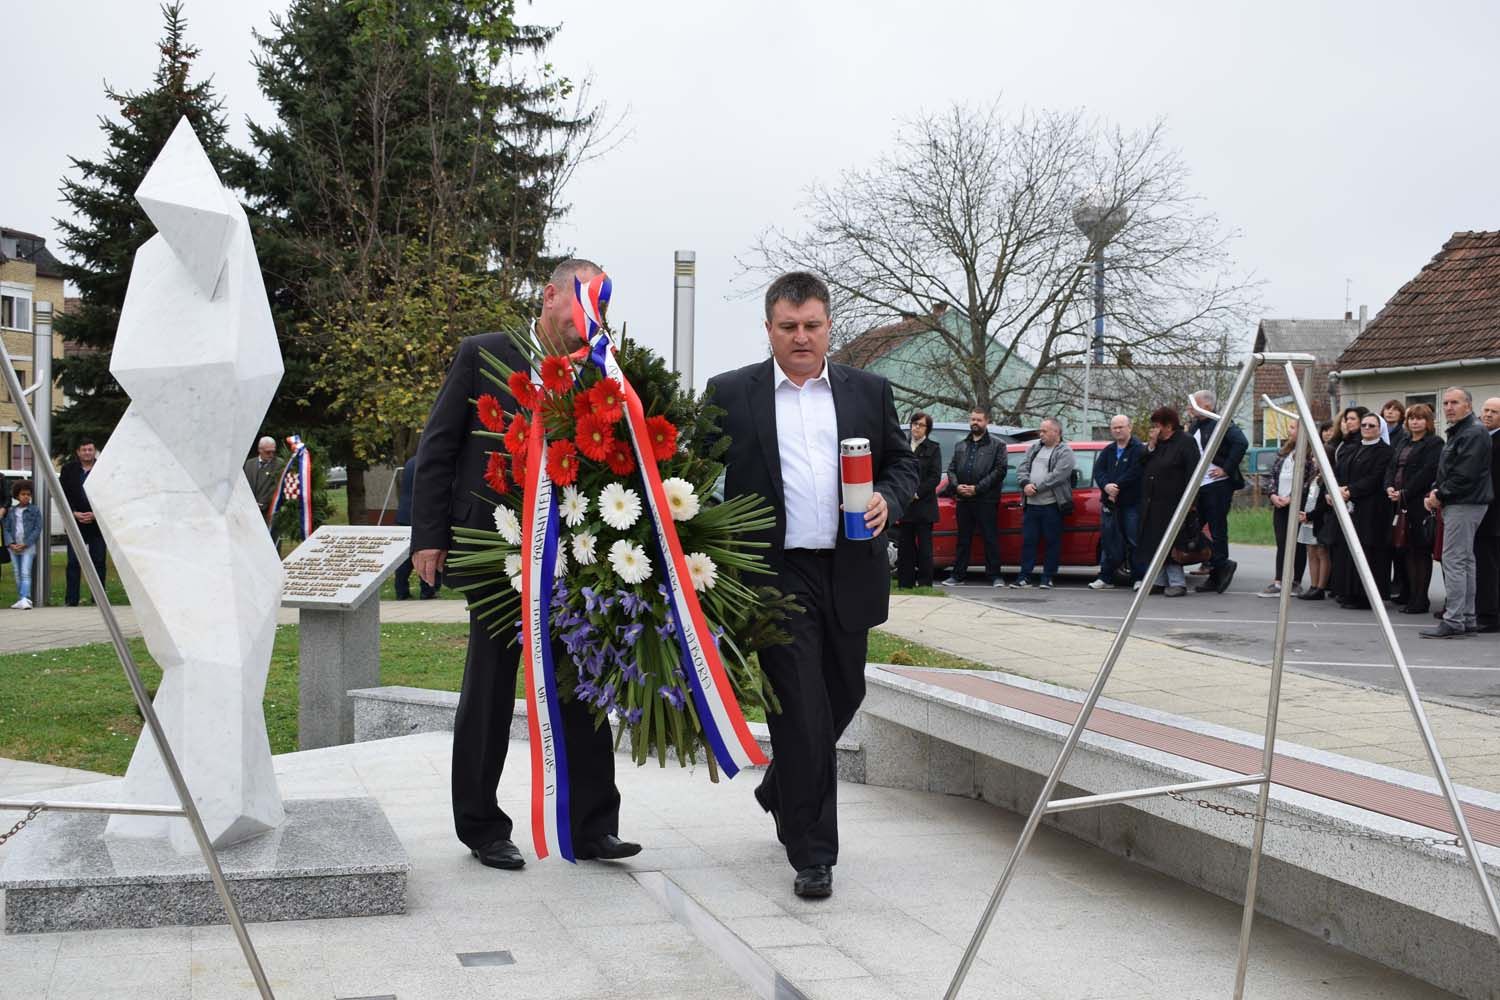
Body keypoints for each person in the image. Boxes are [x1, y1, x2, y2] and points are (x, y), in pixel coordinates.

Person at [412, 257, 638, 869]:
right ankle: (482, 826)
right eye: (583, 303)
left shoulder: (600, 366)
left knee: (579, 682)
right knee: (489, 687)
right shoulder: (482, 354)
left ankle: (594, 826)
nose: (591, 319)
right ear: (550, 297)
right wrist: (428, 535)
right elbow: (439, 444)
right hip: (495, 551)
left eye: (602, 308)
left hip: (573, 559)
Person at [707, 271, 916, 900]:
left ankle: (781, 787)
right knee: (801, 707)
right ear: (769, 329)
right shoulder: (731, 393)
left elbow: (903, 464)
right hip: (775, 573)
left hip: (849, 567)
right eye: (788, 326)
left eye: (812, 326)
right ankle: (813, 853)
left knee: (844, 693)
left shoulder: (868, 391)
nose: (801, 337)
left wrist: (888, 498)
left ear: (829, 327)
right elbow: (692, 473)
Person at [1421, 387, 1494, 639]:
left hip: (1464, 502)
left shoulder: (1472, 432)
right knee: (1464, 561)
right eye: (1446, 403)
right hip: (1463, 501)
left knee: (1454, 560)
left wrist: (1439, 495)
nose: (1449, 407)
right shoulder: (1463, 431)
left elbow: (1465, 474)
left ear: (1468, 405)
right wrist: (1436, 490)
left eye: (1455, 402)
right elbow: (1450, 469)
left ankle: (1454, 620)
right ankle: (1466, 617)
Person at [1188, 389, 1247, 594]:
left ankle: (1217, 571)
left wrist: (1226, 469)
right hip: (1198, 486)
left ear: (1207, 406)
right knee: (1191, 528)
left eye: (1194, 404)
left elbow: (1241, 443)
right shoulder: (1195, 426)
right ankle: (1220, 563)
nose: (1189, 408)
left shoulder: (1221, 423)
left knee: (1217, 528)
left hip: (1217, 485)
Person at [939, 408, 1006, 587]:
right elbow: (951, 469)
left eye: (979, 420)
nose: (975, 423)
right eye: (973, 419)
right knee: (963, 539)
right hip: (963, 500)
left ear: (987, 421)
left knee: (990, 538)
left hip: (986, 499)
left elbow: (1000, 471)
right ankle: (958, 575)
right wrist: (956, 486)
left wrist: (977, 488)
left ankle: (995, 576)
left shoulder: (997, 445)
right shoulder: (961, 445)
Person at [1385, 404, 1442, 615]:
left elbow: (1428, 472)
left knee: (1420, 550)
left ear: (1428, 422)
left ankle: (1421, 598)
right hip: (1400, 502)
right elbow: (1392, 467)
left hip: (1420, 503)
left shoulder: (1434, 443)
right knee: (1407, 549)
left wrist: (1405, 492)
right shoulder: (1403, 441)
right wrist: (1389, 486)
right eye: (1411, 418)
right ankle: (1410, 595)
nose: (1415, 422)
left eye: (1420, 418)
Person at [1333, 412, 1393, 610]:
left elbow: (1375, 478)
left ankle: (1366, 596)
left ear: (1380, 429)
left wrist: (1350, 491)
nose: (1367, 428)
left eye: (1371, 426)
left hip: (1372, 509)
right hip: (1352, 505)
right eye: (1364, 425)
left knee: (1368, 550)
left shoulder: (1385, 452)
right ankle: (1348, 591)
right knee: (1349, 548)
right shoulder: (1355, 448)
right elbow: (1340, 471)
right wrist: (1337, 490)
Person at [1138, 406, 1199, 596]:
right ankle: (1159, 580)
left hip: (1174, 502)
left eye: (1157, 426)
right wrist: (1151, 445)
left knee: (1172, 542)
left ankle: (1177, 582)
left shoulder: (1185, 442)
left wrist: (1191, 501)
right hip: (1153, 502)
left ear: (1169, 425)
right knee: (1154, 542)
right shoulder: (1158, 443)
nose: (1154, 430)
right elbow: (1142, 462)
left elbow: (1193, 472)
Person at [1012, 418, 1076, 590]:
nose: (1041, 434)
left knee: (1052, 542)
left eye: (1044, 431)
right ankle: (1024, 577)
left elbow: (1058, 476)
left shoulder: (1065, 452)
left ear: (1056, 432)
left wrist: (1036, 488)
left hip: (1052, 505)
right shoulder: (1034, 448)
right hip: (1031, 505)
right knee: (1028, 542)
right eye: (1040, 431)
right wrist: (1025, 483)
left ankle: (1047, 577)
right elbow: (1022, 468)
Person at [1090, 415, 1145, 590]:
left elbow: (1135, 472)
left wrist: (1117, 487)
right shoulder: (1108, 450)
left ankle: (1139, 578)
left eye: (1121, 427)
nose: (1118, 430)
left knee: (1134, 540)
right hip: (1110, 504)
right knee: (1108, 541)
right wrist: (1106, 486)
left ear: (1130, 427)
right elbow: (1098, 471)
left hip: (1131, 504)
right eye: (1114, 427)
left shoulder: (1139, 449)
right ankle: (1105, 577)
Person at [1258, 424, 1310, 598]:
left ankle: (1296, 582)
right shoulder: (1284, 452)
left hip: (1298, 504)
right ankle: (1279, 580)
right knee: (1282, 542)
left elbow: (1308, 480)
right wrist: (1273, 494)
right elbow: (1273, 476)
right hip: (1280, 504)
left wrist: (1293, 498)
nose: (1290, 430)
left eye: (1294, 427)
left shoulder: (1310, 454)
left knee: (1298, 544)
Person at [1326, 406, 1367, 606]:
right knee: (1339, 546)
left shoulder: (1360, 444)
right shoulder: (1344, 443)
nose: (1348, 422)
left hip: (1355, 500)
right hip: (1339, 495)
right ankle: (1341, 588)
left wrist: (1347, 490)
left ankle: (1352, 591)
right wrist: (1331, 490)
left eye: (1352, 419)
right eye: (1346, 419)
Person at [896, 412, 942, 588]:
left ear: (927, 429)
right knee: (905, 547)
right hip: (905, 506)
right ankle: (905, 583)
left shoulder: (933, 448)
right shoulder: (903, 446)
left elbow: (934, 477)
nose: (916, 428)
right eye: (914, 424)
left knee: (924, 547)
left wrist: (917, 493)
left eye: (921, 425)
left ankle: (924, 583)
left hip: (924, 506)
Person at [59, 439, 107, 606]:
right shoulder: (68, 470)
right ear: (78, 452)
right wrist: (73, 513)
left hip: (97, 524)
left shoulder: (103, 469)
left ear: (95, 451)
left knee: (99, 561)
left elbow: (107, 495)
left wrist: (96, 514)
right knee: (73, 562)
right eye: (84, 450)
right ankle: (71, 600)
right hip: (75, 522)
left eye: (90, 449)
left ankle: (99, 599)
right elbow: (62, 494)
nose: (87, 452)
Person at [1297, 420, 1340, 601]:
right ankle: (1313, 585)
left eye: (1317, 457)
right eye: (1314, 456)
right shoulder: (1314, 476)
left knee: (1322, 552)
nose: (1314, 459)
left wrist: (1310, 515)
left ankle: (1321, 586)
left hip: (1319, 519)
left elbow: (1324, 503)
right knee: (1311, 551)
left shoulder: (1330, 477)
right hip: (1308, 518)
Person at [394, 454, 438, 600]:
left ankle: (401, 591)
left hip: (404, 514)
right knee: (426, 551)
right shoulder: (430, 461)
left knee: (404, 558)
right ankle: (428, 590)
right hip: (421, 514)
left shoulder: (411, 462)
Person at [1474, 397, 1500, 632]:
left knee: (1489, 566)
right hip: (1482, 512)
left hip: (1492, 514)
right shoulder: (1482, 438)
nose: (1488, 414)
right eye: (1486, 410)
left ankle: (1489, 616)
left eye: (1495, 411)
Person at [4, 481, 41, 609]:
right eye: (23, 494)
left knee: (25, 572)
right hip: (13, 547)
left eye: (28, 494)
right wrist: (10, 543)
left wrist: (26, 544)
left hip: (28, 547)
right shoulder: (11, 511)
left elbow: (37, 529)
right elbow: (6, 528)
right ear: (17, 495)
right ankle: (21, 599)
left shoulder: (34, 510)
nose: (26, 497)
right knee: (17, 573)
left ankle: (25, 598)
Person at [243, 436, 281, 521]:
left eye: (273, 452)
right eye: (268, 452)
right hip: (247, 512)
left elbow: (277, 488)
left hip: (266, 514)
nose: (271, 455)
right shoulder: (249, 464)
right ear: (259, 450)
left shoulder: (279, 465)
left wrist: (262, 503)